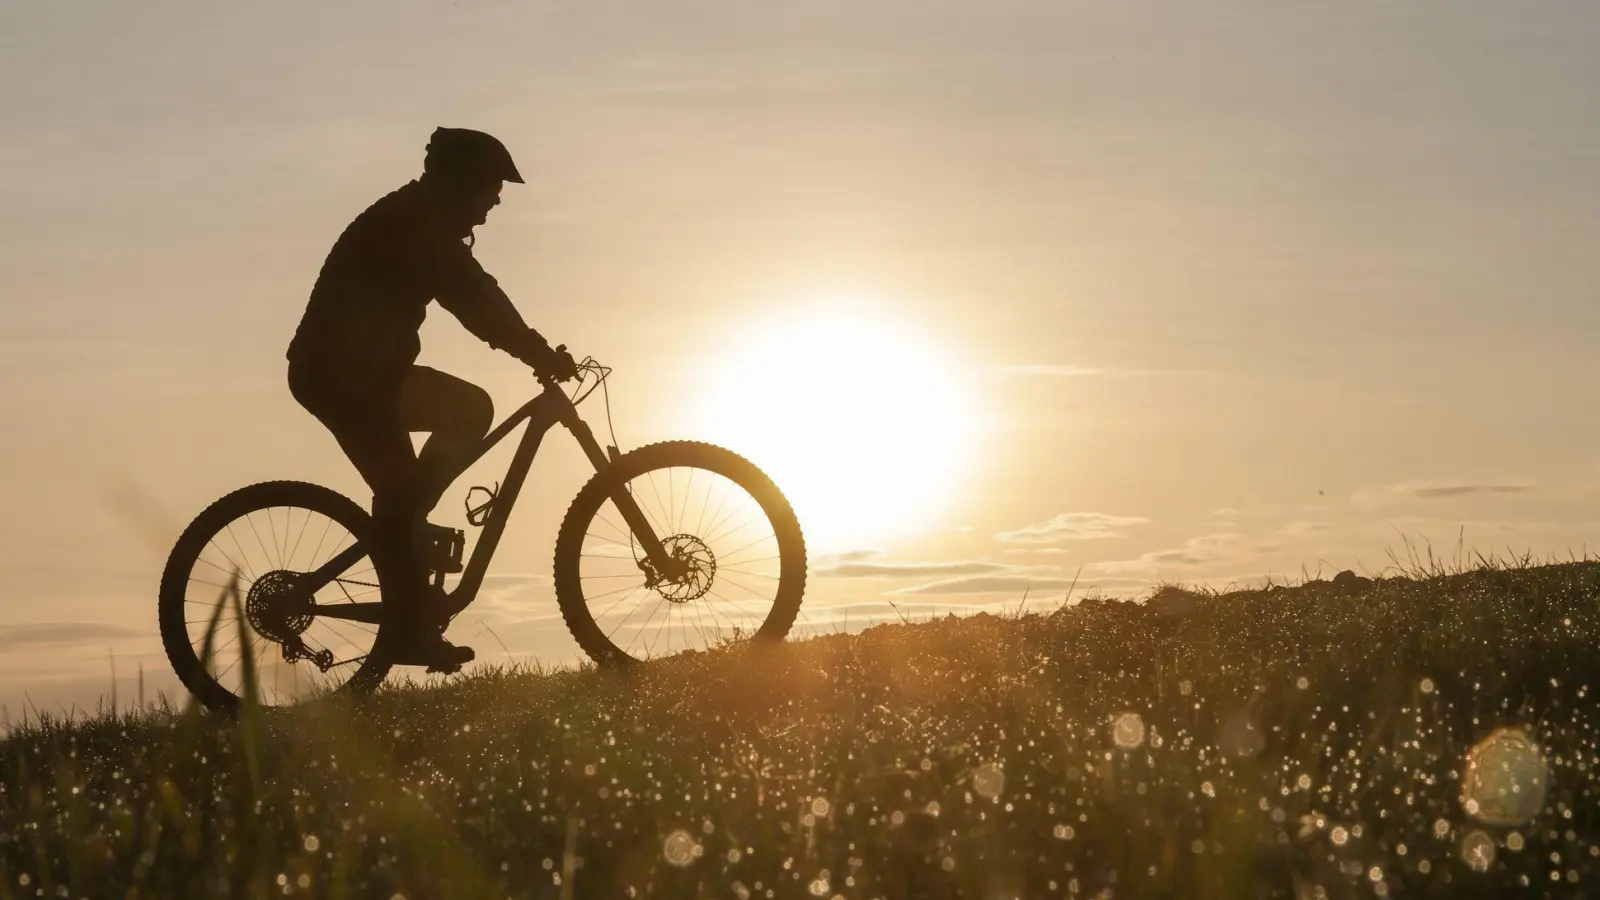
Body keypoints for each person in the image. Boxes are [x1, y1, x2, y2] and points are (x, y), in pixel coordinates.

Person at [286, 126, 575, 672]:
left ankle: (406, 544)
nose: (493, 205)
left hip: (367, 375)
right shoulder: (416, 226)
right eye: (490, 190)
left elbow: (476, 291)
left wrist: (534, 349)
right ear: (459, 182)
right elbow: (476, 301)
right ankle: (405, 614)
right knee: (418, 471)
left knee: (457, 426)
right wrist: (539, 353)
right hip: (342, 377)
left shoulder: (422, 220)